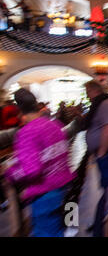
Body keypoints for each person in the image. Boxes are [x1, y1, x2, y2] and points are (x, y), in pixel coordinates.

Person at [3, 88, 74, 236]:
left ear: (19, 113)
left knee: (46, 232)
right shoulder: (55, 124)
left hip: (46, 194)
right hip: (66, 188)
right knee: (66, 230)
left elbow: (32, 169)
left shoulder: (27, 132)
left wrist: (9, 172)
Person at [82, 80, 108, 236]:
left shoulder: (106, 103)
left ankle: (104, 227)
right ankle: (101, 224)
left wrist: (101, 152)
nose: (87, 96)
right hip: (106, 152)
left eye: (87, 92)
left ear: (93, 90)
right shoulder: (102, 103)